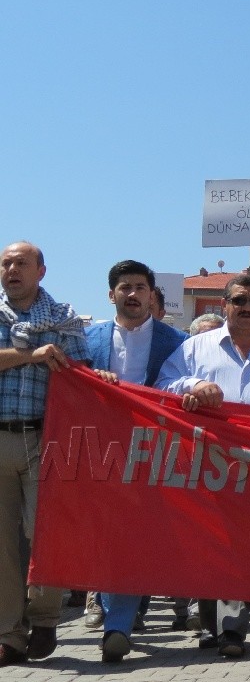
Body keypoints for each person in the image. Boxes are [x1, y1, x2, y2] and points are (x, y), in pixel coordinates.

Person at [156, 274, 250, 661]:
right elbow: (163, 385)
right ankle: (211, 625)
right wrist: (193, 386)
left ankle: (232, 628)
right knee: (210, 544)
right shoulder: (194, 347)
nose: (247, 307)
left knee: (245, 547)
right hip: (207, 461)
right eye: (239, 300)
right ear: (224, 304)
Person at [85, 260, 189, 660]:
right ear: (111, 294)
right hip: (95, 451)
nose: (132, 294)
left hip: (152, 452)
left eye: (140, 287)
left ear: (151, 295)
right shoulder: (86, 339)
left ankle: (119, 624)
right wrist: (93, 381)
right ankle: (110, 611)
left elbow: (183, 384)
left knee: (132, 536)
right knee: (106, 536)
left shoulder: (176, 342)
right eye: (125, 287)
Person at [0, 241, 89, 667]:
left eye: (21, 263)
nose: (11, 270)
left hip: (45, 440)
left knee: (45, 533)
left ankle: (46, 618)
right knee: (2, 544)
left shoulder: (64, 318)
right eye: (5, 263)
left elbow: (82, 374)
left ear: (41, 271)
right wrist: (30, 355)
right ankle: (9, 634)